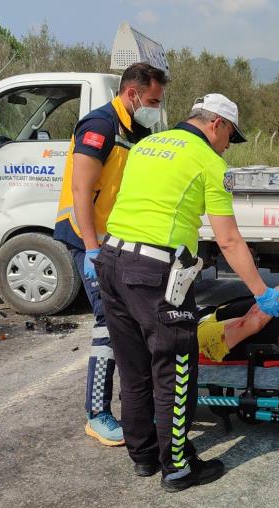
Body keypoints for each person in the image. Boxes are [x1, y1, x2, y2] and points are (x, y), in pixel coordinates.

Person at [97, 93, 279, 492]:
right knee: (175, 369)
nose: (227, 147)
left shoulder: (147, 144)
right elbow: (229, 240)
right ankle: (179, 467)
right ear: (217, 124)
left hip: (112, 260)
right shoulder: (209, 162)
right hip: (155, 273)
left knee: (134, 368)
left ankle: (144, 456)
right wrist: (261, 292)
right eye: (230, 137)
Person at [53, 62, 167, 447]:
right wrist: (90, 248)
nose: (156, 108)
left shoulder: (136, 130)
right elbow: (81, 190)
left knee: (131, 322)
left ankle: (135, 404)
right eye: (153, 101)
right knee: (108, 321)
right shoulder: (99, 126)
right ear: (132, 93)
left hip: (116, 240)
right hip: (87, 238)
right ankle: (96, 413)